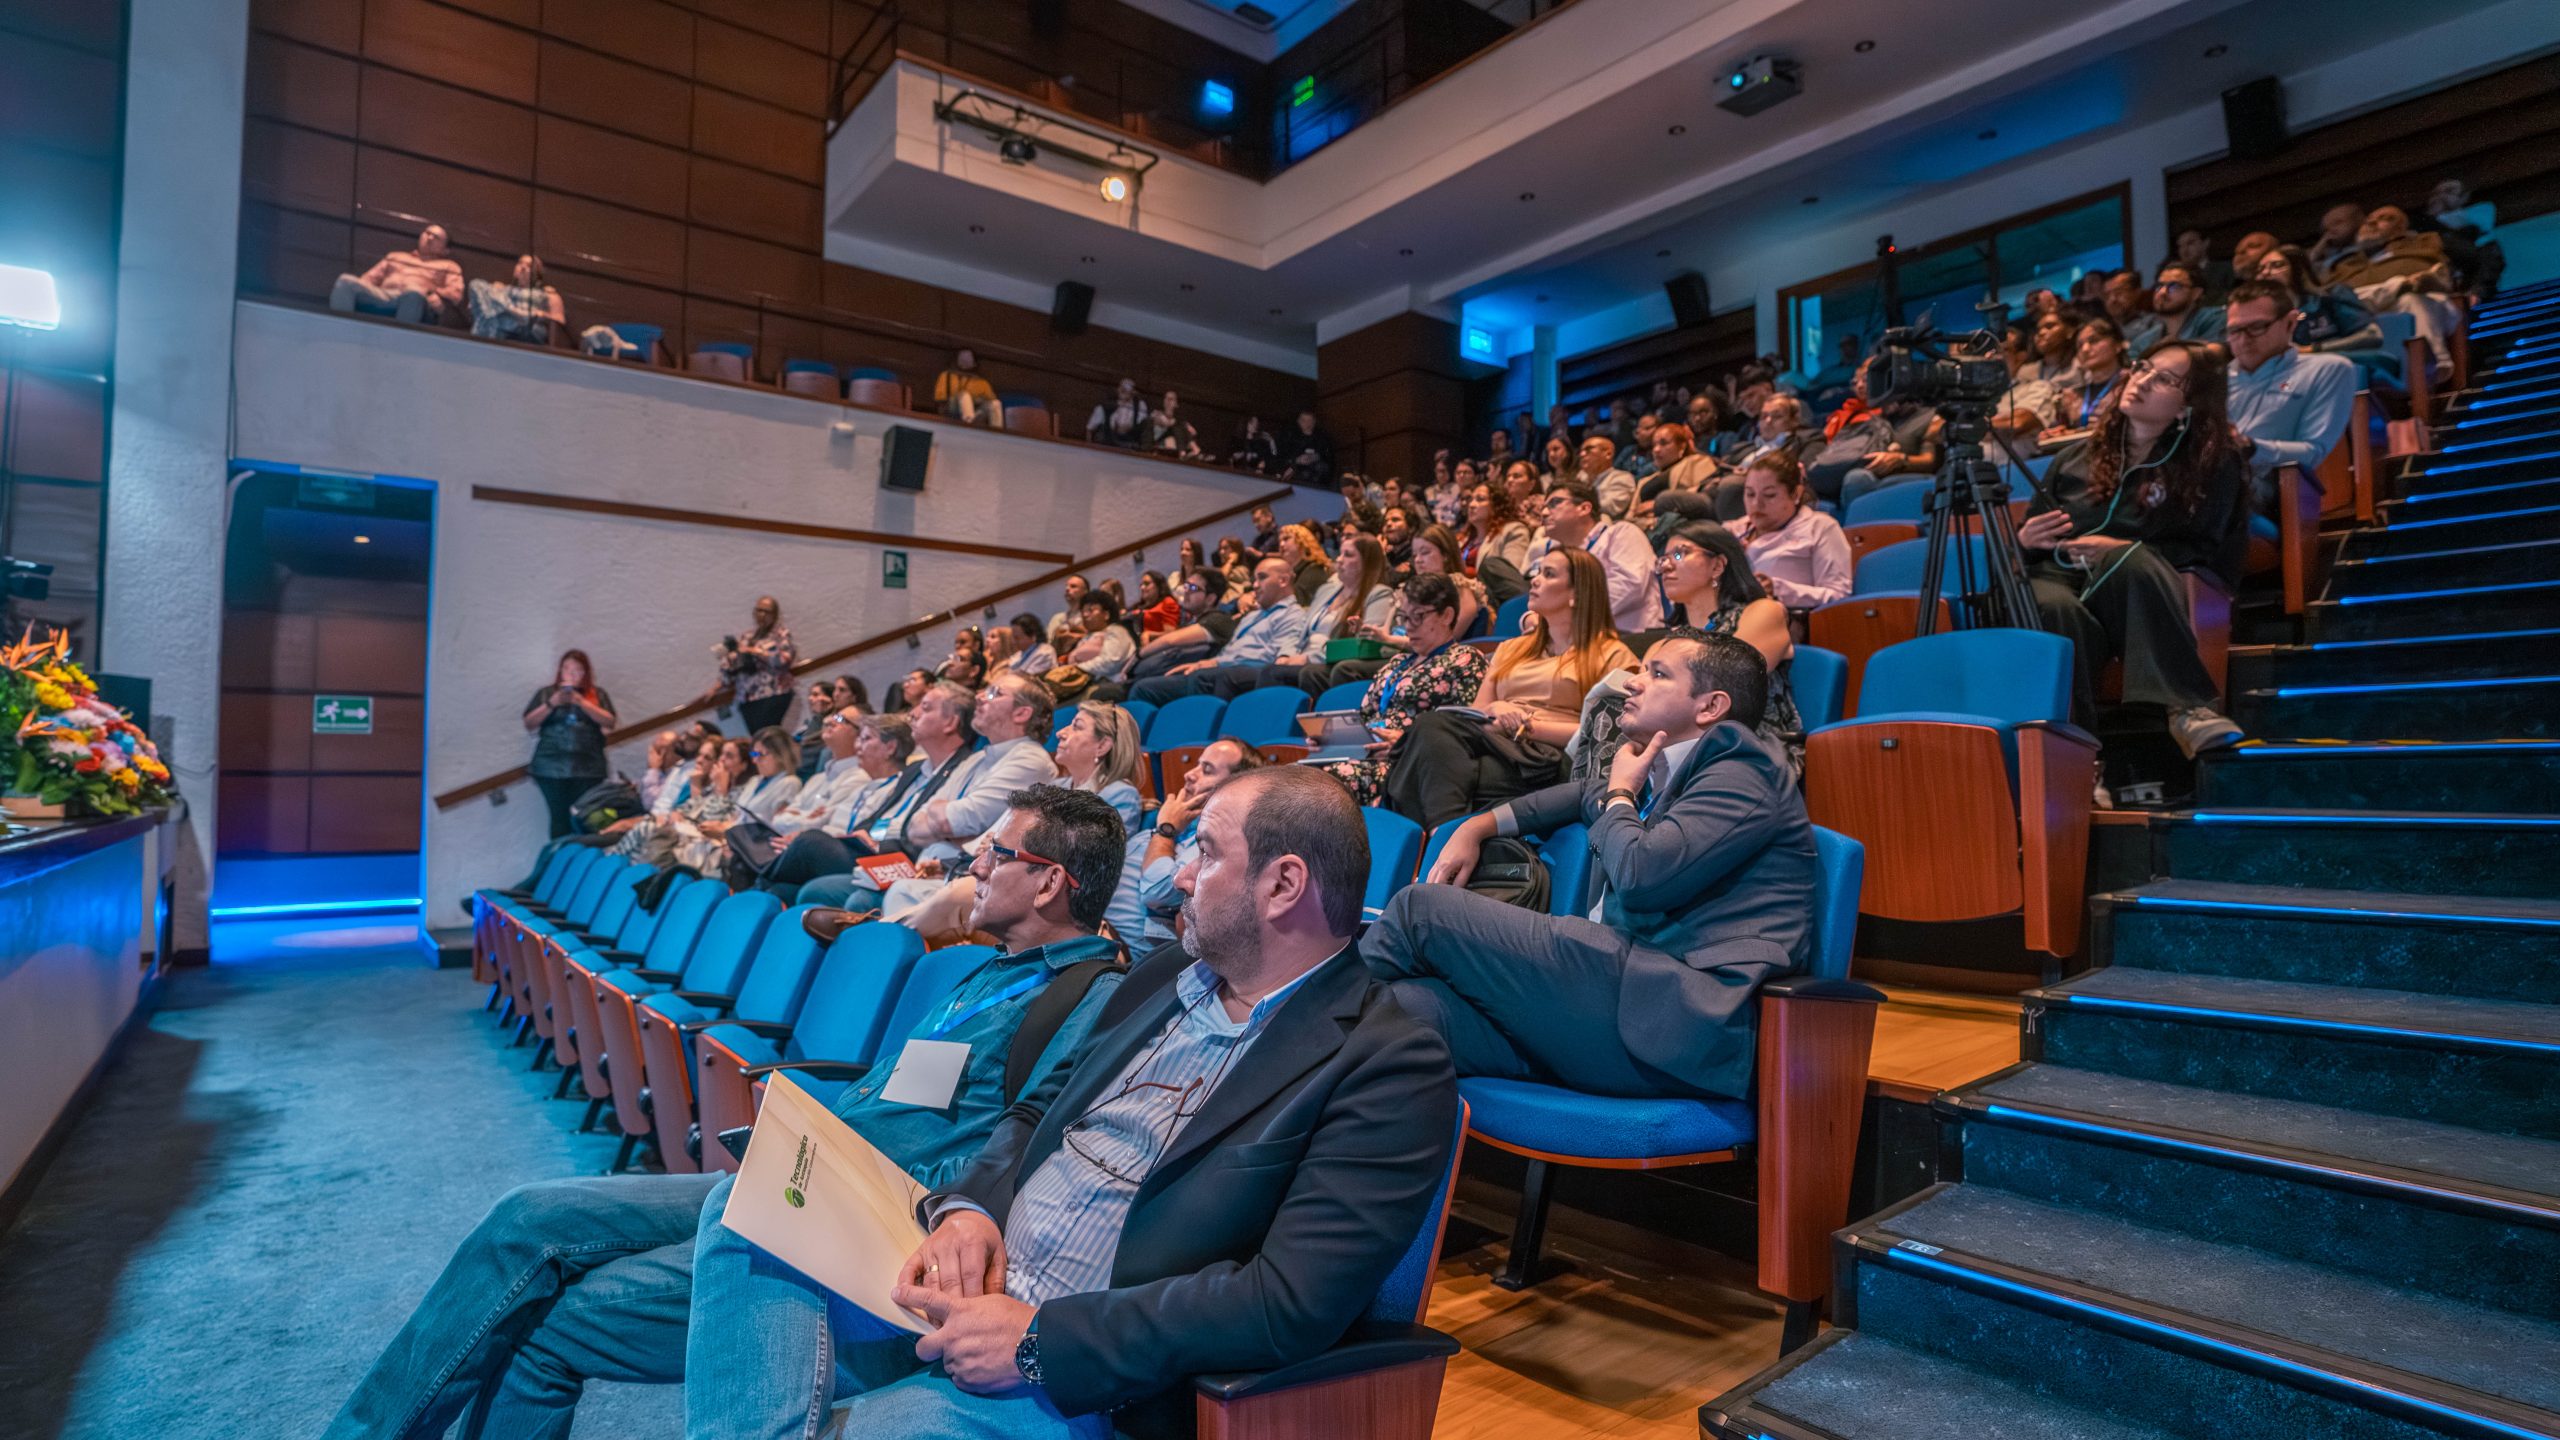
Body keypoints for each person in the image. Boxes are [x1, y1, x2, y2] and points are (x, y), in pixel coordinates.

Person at [323, 786, 1143, 1440]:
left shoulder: (1094, 992)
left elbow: (1030, 1139)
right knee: (526, 1216)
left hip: (861, 1226)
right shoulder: (982, 968)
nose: (973, 862)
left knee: (548, 1322)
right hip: (807, 1172)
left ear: (1048, 881)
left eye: (998, 853)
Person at [1366, 629, 1814, 1100]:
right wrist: (1474, 828)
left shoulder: (1743, 773)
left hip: (1672, 1021)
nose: (1632, 683)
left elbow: (1644, 878)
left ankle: (1291, 1010)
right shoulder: (1657, 771)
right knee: (1404, 1013)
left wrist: (1620, 795)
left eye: (1657, 674)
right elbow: (1581, 795)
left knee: (1424, 911)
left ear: (1710, 707)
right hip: (1603, 1015)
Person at [2022, 340, 2247, 759]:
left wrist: (2120, 546)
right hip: (2059, 575)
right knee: (2055, 609)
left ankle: (2188, 709)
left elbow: (2205, 545)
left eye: (2162, 378)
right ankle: (2078, 761)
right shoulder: (2073, 457)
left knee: (2129, 558)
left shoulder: (2212, 461)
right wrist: (2025, 539)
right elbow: (2030, 541)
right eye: (2142, 368)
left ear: (2188, 405)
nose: (2140, 381)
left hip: (2139, 582)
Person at [1381, 548, 1636, 830]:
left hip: (1548, 756)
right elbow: (1474, 714)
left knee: (1423, 762)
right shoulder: (1512, 648)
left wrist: (1528, 726)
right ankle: (1446, 834)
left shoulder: (1611, 655)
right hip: (1497, 742)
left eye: (1548, 574)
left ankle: (1435, 842)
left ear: (1577, 592)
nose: (1535, 580)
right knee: (1434, 733)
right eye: (1537, 572)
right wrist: (1496, 709)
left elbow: (1610, 735)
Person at [757, 687, 975, 902]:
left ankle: (757, 875)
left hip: (896, 856)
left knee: (809, 842)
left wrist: (876, 840)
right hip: (870, 846)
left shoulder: (962, 768)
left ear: (951, 722)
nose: (914, 714)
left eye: (925, 708)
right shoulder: (916, 769)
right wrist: (863, 833)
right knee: (781, 890)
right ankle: (758, 887)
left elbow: (917, 829)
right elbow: (878, 816)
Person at [1314, 574, 1491, 805]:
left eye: (1418, 617)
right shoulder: (1397, 663)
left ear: (1447, 615)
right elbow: (1365, 718)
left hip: (1406, 766)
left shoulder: (1465, 660)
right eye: (1404, 617)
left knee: (1323, 783)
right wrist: (1330, 739)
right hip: (1365, 756)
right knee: (1289, 776)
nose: (1408, 626)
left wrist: (1405, 743)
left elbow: (1462, 729)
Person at [1654, 523, 1805, 776]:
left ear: (1718, 565)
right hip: (1681, 744)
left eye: (1679, 554)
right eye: (1663, 559)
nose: (1666, 566)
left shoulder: (1762, 611)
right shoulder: (1670, 639)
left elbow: (1729, 680)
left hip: (1751, 746)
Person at [2221, 279, 2357, 509]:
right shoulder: (2214, 379)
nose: (2243, 340)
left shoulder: (2328, 370)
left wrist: (2249, 447)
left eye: (2256, 327)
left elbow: (2313, 452)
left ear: (2290, 323)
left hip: (2271, 490)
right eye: (2235, 331)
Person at [1127, 558, 1315, 705]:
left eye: (1262, 578)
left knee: (1203, 678)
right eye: (1254, 579)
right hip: (1221, 669)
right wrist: (1206, 662)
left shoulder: (1292, 614)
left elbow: (1279, 659)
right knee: (1144, 688)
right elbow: (1230, 652)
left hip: (1247, 673)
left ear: (1283, 580)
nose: (1255, 585)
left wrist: (1214, 665)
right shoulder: (1251, 617)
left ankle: (1199, 743)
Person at [1134, 737, 1263, 944]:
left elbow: (1156, 891)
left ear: (1235, 786)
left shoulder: (1220, 837)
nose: (1189, 774)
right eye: (1197, 765)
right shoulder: (1184, 822)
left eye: (1207, 770)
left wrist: (1165, 831)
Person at [2324, 205, 2458, 379]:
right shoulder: (2345, 265)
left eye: (2385, 218)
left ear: (2401, 228)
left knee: (2410, 299)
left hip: (2422, 307)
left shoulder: (2423, 246)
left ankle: (2432, 365)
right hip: (2365, 314)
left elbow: (2440, 280)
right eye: (2369, 220)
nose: (2372, 222)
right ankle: (2399, 286)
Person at [1528, 480, 1662, 635]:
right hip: (1577, 642)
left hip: (1629, 639)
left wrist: (1563, 614)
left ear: (1584, 508)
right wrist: (1529, 617)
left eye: (1554, 503)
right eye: (1544, 507)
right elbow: (1542, 601)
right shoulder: (1556, 556)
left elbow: (1628, 585)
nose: (1544, 513)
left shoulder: (1621, 534)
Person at [1726, 453, 1852, 613]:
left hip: (1780, 623)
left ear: (1796, 494)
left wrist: (1778, 590)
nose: (1756, 503)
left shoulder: (1820, 527)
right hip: (1724, 618)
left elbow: (1839, 595)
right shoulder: (1731, 530)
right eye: (1750, 494)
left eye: (1769, 495)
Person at [522, 650, 618, 839]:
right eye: (567, 669)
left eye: (578, 670)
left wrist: (581, 702)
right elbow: (529, 723)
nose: (571, 674)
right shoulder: (546, 694)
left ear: (585, 673)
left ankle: (584, 859)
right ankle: (561, 860)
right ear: (561, 671)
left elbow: (609, 721)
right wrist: (552, 703)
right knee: (560, 819)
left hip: (589, 768)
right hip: (550, 768)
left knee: (586, 817)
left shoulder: (596, 694)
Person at [328, 222, 464, 326]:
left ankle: (398, 346)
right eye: (427, 233)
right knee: (346, 281)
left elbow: (456, 294)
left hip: (417, 301)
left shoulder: (449, 266)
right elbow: (367, 280)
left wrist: (434, 292)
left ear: (446, 250)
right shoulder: (395, 256)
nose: (429, 238)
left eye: (436, 237)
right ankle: (340, 332)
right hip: (384, 295)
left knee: (413, 293)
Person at [712, 595, 797, 732]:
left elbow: (783, 660)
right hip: (747, 698)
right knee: (757, 738)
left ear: (774, 615)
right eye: (759, 610)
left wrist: (755, 651)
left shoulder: (781, 634)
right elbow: (732, 665)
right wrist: (717, 686)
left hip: (772, 694)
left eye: (767, 612)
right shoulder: (747, 637)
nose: (762, 615)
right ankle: (757, 755)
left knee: (767, 737)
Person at [2046, 318, 2130, 439]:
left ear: (2117, 345)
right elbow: (2060, 430)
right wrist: (2054, 433)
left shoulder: (2133, 381)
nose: (2085, 349)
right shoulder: (2071, 396)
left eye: (2094, 341)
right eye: (2079, 346)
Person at [466, 254, 565, 345]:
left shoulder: (548, 295)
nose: (522, 267)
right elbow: (475, 307)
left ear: (537, 274)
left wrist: (540, 314)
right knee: (476, 284)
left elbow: (559, 322)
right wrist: (495, 293)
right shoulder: (502, 289)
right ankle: (512, 310)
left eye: (529, 266)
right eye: (520, 263)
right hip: (503, 323)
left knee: (492, 318)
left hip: (527, 329)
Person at [1460, 476, 1535, 580]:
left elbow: (1510, 576)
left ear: (1496, 505)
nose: (1471, 505)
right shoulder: (1464, 537)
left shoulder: (1513, 531)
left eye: (1480, 499)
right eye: (1471, 499)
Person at [2147, 262, 2226, 345]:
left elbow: (2216, 351)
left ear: (2196, 293)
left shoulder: (2215, 319)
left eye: (2174, 286)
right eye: (2159, 286)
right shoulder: (2145, 339)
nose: (2162, 292)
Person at [1575, 434, 1638, 520]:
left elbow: (1611, 508)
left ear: (1608, 454)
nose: (1582, 454)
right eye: (1581, 451)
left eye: (1589, 449)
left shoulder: (1621, 477)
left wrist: (1574, 506)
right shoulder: (1579, 478)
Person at [935, 348, 1002, 427]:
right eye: (962, 358)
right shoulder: (947, 375)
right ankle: (968, 424)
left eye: (968, 358)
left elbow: (991, 399)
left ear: (974, 362)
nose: (965, 361)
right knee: (964, 395)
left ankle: (997, 430)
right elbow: (940, 397)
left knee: (995, 403)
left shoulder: (982, 382)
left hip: (976, 411)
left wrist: (979, 400)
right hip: (952, 407)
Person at [1280, 409, 1336, 487]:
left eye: (1310, 420)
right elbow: (1281, 458)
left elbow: (1330, 460)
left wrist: (1316, 457)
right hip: (1296, 478)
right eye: (1303, 420)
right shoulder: (1290, 437)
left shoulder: (1323, 438)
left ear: (1314, 422)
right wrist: (1296, 461)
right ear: (1298, 421)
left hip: (1318, 482)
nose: (1307, 424)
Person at [634, 729, 685, 814]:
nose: (652, 756)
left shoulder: (679, 773)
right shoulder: (662, 772)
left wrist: (653, 770)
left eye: (657, 751)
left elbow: (649, 803)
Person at [1086, 379, 1144, 447]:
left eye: (1128, 391)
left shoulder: (1139, 407)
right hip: (1105, 443)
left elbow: (1140, 424)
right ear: (1118, 390)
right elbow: (1089, 429)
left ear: (1133, 393)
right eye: (1123, 390)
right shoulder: (1104, 407)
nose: (1125, 393)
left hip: (1126, 444)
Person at [1145, 390, 1200, 457]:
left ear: (1176, 404)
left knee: (1179, 429)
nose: (1168, 401)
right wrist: (1186, 425)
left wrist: (1188, 427)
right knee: (1178, 427)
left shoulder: (1179, 420)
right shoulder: (1156, 413)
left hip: (1172, 446)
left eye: (1171, 399)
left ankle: (1187, 451)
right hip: (1156, 444)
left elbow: (1194, 433)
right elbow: (1165, 422)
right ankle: (1191, 449)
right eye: (1166, 398)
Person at [1132, 571, 1180, 637]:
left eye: (1147, 584)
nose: (1142, 587)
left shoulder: (1167, 602)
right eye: (1141, 585)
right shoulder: (1140, 605)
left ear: (1159, 585)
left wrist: (1149, 634)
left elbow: (1171, 634)